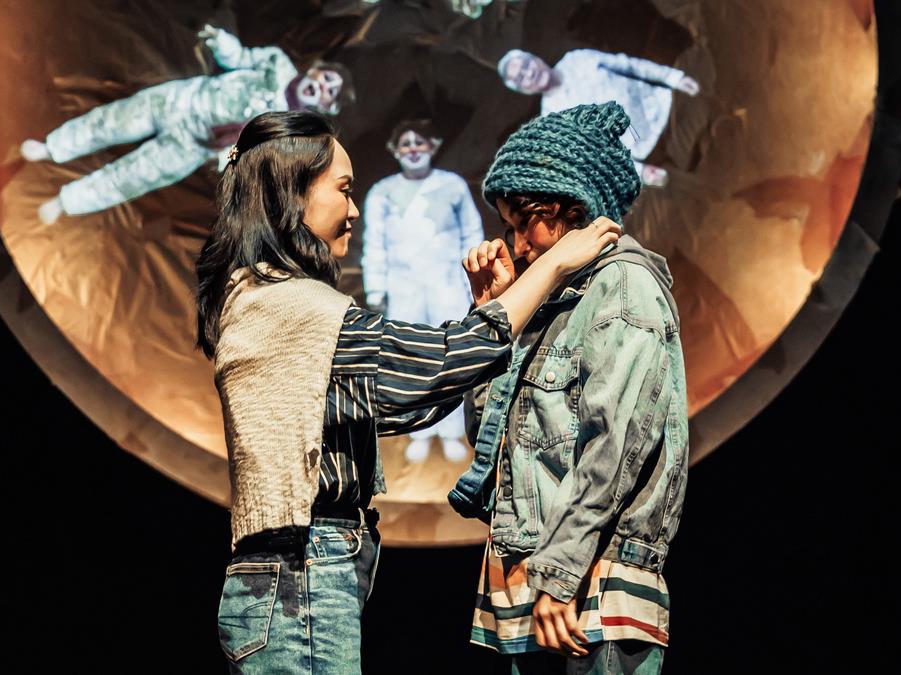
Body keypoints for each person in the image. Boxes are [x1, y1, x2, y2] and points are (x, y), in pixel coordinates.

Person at [194, 109, 621, 673]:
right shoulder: (286, 305)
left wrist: (484, 313)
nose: (354, 209)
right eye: (344, 190)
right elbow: (437, 364)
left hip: (302, 574)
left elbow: (410, 400)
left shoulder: (266, 297)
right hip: (300, 574)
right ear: (293, 195)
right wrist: (555, 266)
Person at [448, 102, 690, 674]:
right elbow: (488, 440)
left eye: (524, 223)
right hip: (531, 587)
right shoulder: (547, 301)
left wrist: (560, 573)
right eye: (508, 227)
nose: (516, 245)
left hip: (589, 588)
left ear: (572, 210)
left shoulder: (623, 287)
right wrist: (493, 314)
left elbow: (616, 448)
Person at [19, 24, 352, 223]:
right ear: (315, 70)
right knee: (113, 121)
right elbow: (240, 59)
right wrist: (222, 43)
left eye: (329, 92)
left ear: (326, 106)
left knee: (134, 176)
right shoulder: (277, 64)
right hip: (184, 101)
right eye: (326, 78)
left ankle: (68, 201)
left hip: (194, 146)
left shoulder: (287, 130)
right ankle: (54, 146)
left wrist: (224, 157)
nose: (322, 87)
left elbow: (248, 153)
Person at [361, 119, 485, 463]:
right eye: (406, 143)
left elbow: (471, 234)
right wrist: (376, 289)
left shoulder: (452, 185)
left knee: (450, 357)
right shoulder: (382, 191)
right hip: (404, 289)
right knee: (414, 360)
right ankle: (421, 431)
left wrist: (473, 283)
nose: (413, 149)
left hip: (447, 284)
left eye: (419, 142)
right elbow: (374, 242)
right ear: (394, 150)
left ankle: (451, 431)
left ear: (433, 145)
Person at [497, 48, 699, 188]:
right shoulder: (553, 121)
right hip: (653, 151)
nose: (529, 73)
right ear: (524, 90)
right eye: (521, 77)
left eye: (526, 65)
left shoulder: (576, 59)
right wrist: (641, 171)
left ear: (536, 59)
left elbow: (628, 65)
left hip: (668, 104)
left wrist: (673, 77)